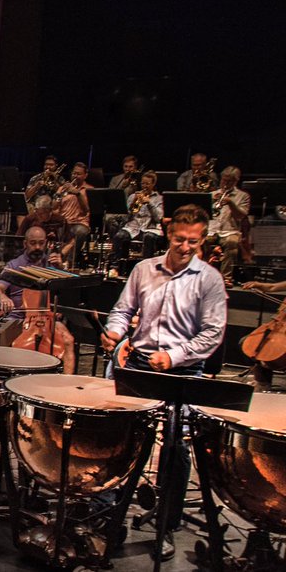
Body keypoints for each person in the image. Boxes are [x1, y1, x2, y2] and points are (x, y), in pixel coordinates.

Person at [99, 204, 227, 561]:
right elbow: (124, 309)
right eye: (180, 240)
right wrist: (114, 330)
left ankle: (165, 525)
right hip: (140, 364)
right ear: (168, 234)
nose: (186, 247)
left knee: (174, 445)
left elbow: (212, 334)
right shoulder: (143, 269)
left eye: (194, 242)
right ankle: (109, 510)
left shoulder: (209, 279)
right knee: (120, 435)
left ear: (202, 240)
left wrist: (173, 357)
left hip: (183, 373)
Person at [0, 226, 64, 317]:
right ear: (25, 244)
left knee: (62, 330)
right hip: (17, 317)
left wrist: (61, 269)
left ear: (46, 243)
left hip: (47, 317)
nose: (37, 247)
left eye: (41, 243)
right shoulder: (14, 265)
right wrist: (2, 297)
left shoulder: (52, 263)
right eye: (32, 243)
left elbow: (66, 293)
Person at [207, 166, 250, 281]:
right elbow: (203, 214)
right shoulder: (212, 194)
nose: (225, 183)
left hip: (230, 231)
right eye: (223, 180)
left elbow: (241, 216)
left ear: (236, 181)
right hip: (212, 230)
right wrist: (210, 202)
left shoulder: (243, 196)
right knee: (200, 241)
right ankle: (201, 274)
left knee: (231, 243)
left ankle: (225, 278)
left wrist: (231, 203)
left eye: (229, 181)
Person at [112, 171, 164, 263]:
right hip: (133, 228)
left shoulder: (159, 198)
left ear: (153, 184)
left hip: (150, 229)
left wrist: (149, 203)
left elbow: (159, 218)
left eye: (147, 184)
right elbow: (125, 218)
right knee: (119, 236)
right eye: (143, 183)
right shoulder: (133, 196)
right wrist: (132, 205)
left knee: (149, 237)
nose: (144, 186)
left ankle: (146, 265)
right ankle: (119, 264)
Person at [53, 162, 92, 267]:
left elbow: (86, 210)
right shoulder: (63, 188)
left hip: (80, 222)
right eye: (74, 173)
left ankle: (69, 262)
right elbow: (54, 207)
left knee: (79, 232)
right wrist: (58, 194)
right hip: (63, 221)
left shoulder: (89, 190)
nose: (75, 176)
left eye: (78, 174)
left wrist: (77, 194)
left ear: (85, 175)